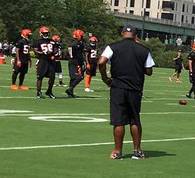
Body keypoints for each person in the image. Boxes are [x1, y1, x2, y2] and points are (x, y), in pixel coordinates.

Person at [98, 24, 154, 160]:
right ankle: (137, 151)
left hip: (118, 87)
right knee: (135, 119)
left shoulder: (113, 47)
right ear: (135, 35)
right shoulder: (143, 49)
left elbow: (101, 62)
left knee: (119, 121)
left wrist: (105, 78)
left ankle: (118, 152)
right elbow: (149, 71)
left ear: (122, 34)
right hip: (135, 88)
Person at [32, 26, 58, 98]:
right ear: (41, 33)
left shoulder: (52, 41)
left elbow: (56, 49)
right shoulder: (38, 42)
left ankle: (49, 91)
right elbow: (35, 50)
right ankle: (38, 92)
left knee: (52, 77)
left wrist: (52, 52)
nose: (46, 34)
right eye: (44, 33)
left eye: (47, 33)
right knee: (40, 77)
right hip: (42, 60)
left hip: (51, 61)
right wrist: (43, 53)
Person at [65, 29, 86, 98]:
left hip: (74, 61)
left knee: (73, 78)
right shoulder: (75, 44)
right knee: (79, 77)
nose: (82, 37)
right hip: (75, 62)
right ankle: (70, 89)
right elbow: (76, 54)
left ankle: (70, 92)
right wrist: (82, 63)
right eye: (81, 36)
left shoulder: (77, 43)